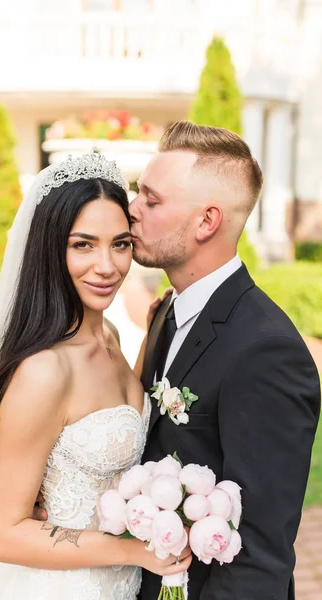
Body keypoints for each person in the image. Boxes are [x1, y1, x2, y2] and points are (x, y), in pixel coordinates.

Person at [0, 149, 191, 600]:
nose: (107, 266)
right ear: (51, 249)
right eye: (83, 244)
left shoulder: (113, 338)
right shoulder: (44, 371)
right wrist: (132, 548)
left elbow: (118, 410)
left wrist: (155, 336)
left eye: (120, 244)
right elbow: (2, 534)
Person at [131, 121, 321, 600]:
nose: (131, 210)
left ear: (206, 222)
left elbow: (258, 554)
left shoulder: (267, 352)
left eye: (151, 201)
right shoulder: (168, 310)